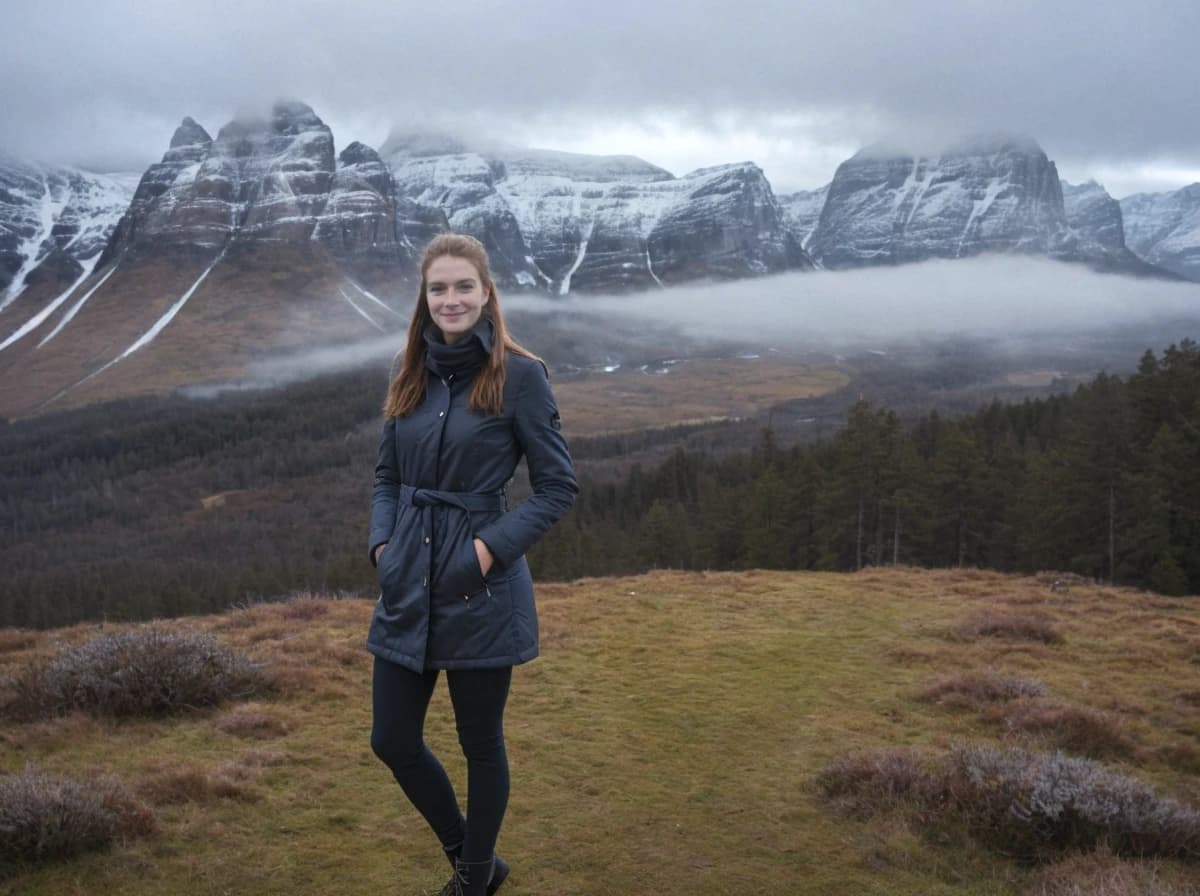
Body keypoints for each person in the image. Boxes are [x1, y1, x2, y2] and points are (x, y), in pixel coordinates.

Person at [367, 233, 577, 896]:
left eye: (464, 287)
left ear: (487, 293)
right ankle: (470, 856)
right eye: (439, 288)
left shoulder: (520, 375)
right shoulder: (409, 372)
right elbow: (386, 476)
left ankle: (475, 878)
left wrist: (485, 550)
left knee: (479, 742)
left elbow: (556, 487)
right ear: (424, 300)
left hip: (479, 588)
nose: (451, 299)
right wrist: (382, 546)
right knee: (392, 740)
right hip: (407, 580)